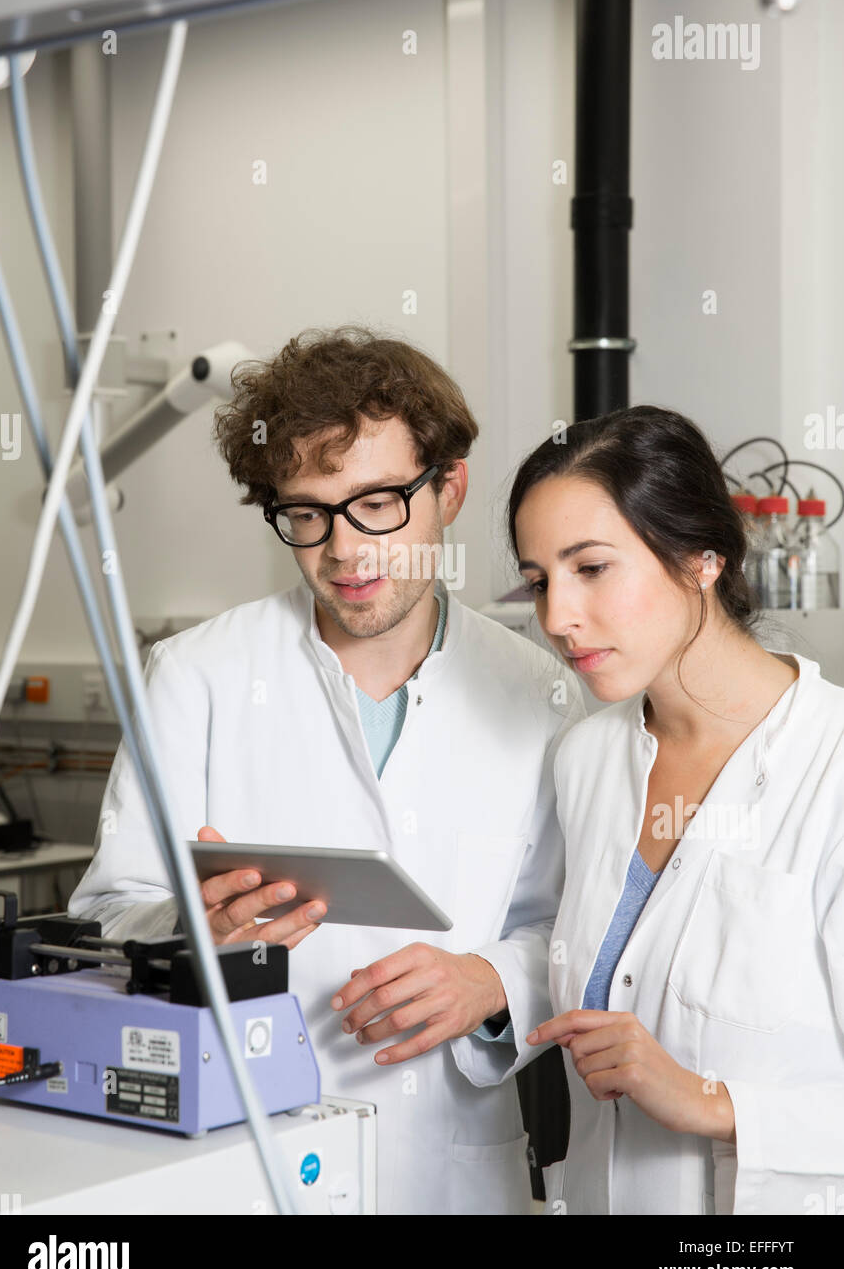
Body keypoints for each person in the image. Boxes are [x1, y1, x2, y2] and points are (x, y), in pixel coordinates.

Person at [68, 324, 585, 1216]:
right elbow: (108, 916)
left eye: (378, 502)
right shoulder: (196, 675)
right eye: (306, 512)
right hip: (243, 1156)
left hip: (450, 1169)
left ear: (448, 488)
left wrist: (493, 980)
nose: (344, 552)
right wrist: (193, 929)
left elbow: (575, 931)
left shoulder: (542, 693)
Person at [505, 403, 844, 1215]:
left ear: (701, 557)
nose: (557, 619)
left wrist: (708, 1102)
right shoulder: (586, 759)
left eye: (591, 569)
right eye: (540, 581)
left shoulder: (830, 768)